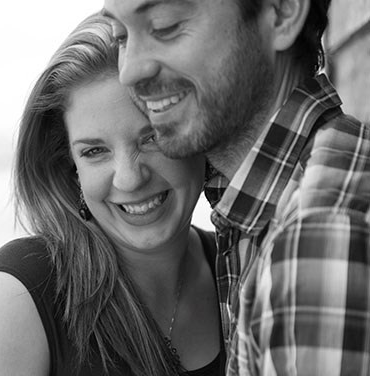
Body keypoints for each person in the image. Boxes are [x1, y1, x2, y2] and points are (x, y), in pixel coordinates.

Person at [102, 0, 370, 375]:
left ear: (282, 12)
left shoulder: (318, 235)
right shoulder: (264, 203)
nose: (130, 71)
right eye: (121, 36)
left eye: (165, 26)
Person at [0, 13, 224, 376]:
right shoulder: (23, 293)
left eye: (151, 137)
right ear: (70, 167)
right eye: (95, 151)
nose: (128, 179)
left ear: (198, 135)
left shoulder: (237, 264)